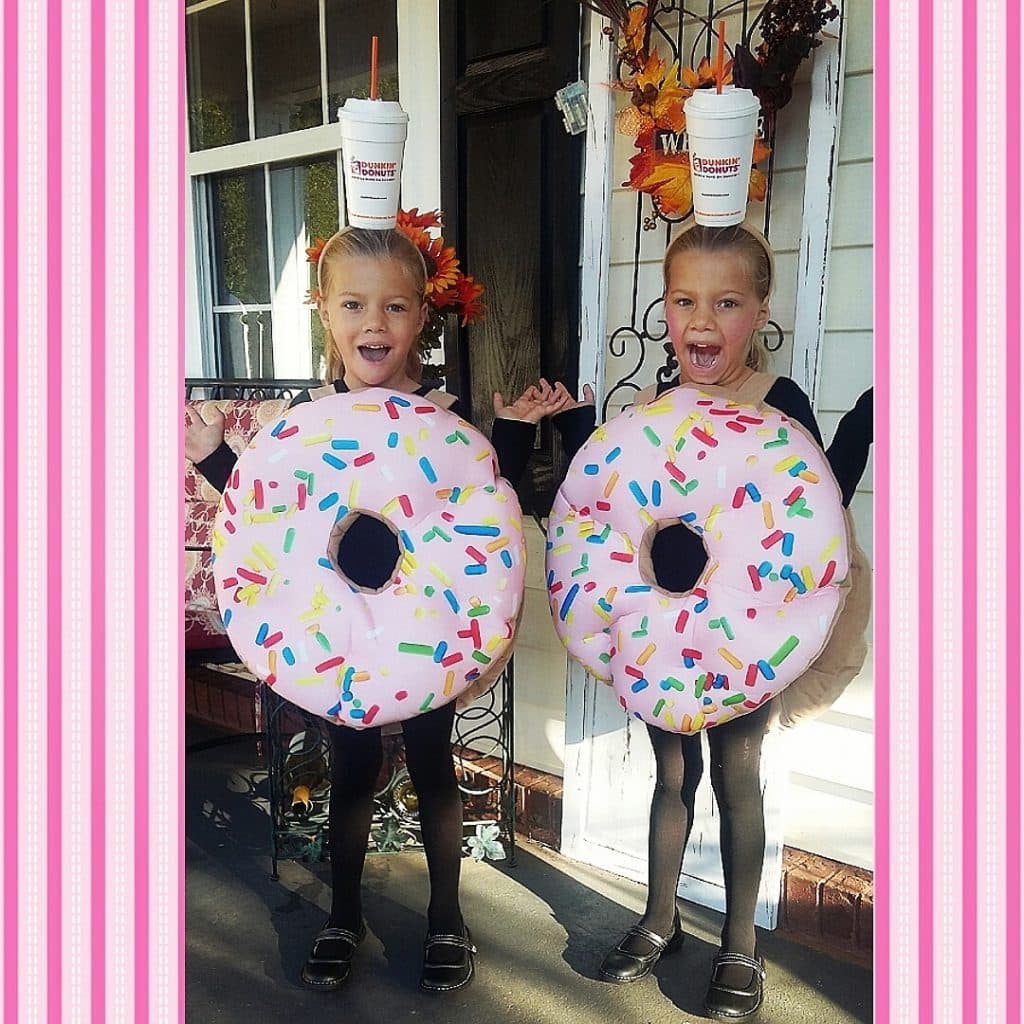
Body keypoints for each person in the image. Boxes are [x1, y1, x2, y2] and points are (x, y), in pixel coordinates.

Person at [185, 226, 567, 994]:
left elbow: (480, 512)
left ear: (421, 317)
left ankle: (447, 917)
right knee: (351, 771)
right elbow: (275, 518)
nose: (374, 323)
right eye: (354, 304)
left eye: (394, 307)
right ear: (324, 312)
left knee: (432, 768)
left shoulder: (444, 409)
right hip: (337, 629)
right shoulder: (306, 415)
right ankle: (344, 915)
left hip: (423, 631)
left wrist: (519, 437)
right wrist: (217, 461)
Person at [549, 222, 871, 1020]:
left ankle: (739, 946)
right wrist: (569, 429)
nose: (701, 321)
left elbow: (815, 510)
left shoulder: (779, 403)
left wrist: (863, 425)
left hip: (746, 635)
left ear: (759, 311)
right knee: (669, 775)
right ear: (665, 307)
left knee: (737, 778)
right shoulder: (657, 408)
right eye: (685, 299)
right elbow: (607, 509)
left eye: (725, 302)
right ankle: (660, 920)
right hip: (664, 627)